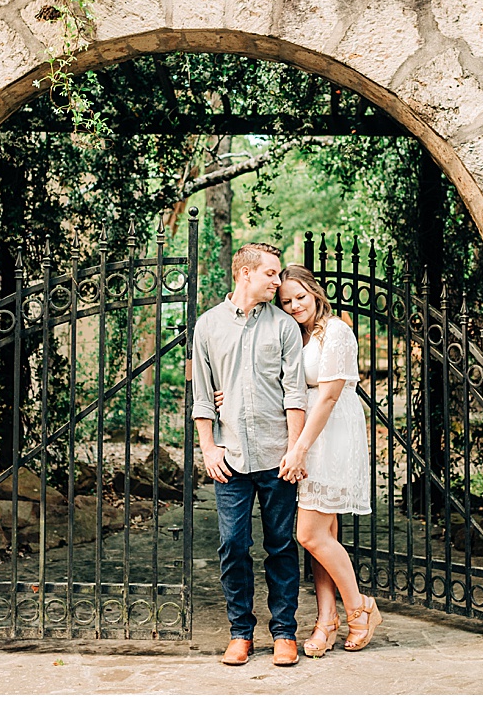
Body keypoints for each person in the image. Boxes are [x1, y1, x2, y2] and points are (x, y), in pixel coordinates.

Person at [223, 264, 380, 656]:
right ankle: (327, 620)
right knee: (323, 538)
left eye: (300, 297)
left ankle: (361, 608)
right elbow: (275, 383)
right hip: (306, 435)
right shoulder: (296, 333)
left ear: (316, 292)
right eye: (286, 300)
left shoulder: (337, 332)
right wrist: (234, 401)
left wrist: (299, 449)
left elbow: (327, 397)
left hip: (328, 435)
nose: (294, 306)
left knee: (308, 534)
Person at [191, 242, 308, 667]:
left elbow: (295, 393)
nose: (278, 282)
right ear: (245, 274)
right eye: (271, 274)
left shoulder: (283, 327)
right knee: (232, 545)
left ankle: (284, 634)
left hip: (278, 456)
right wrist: (208, 447)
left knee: (281, 546)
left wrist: (295, 450)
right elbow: (202, 396)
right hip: (231, 458)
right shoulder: (207, 326)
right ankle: (241, 633)